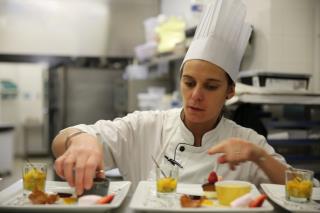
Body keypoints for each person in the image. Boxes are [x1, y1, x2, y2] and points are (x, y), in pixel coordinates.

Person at [52, 0, 290, 196]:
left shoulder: (247, 142)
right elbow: (60, 142)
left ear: (229, 91)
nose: (196, 95)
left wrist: (259, 157)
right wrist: (81, 139)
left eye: (210, 86)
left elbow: (304, 194)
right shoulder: (147, 127)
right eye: (189, 83)